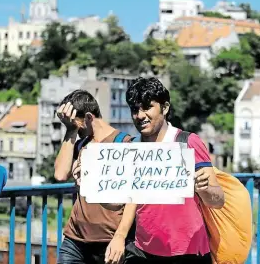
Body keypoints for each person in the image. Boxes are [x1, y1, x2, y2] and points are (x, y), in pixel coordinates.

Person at [123, 77, 225, 264]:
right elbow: (118, 203)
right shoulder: (130, 148)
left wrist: (204, 189)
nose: (139, 115)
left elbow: (218, 200)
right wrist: (87, 183)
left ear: (165, 108)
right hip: (142, 251)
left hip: (187, 252)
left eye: (147, 107)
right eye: (134, 109)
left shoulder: (188, 142)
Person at [54, 90, 136, 264]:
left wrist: (120, 237)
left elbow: (133, 198)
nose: (77, 129)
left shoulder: (124, 144)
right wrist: (70, 131)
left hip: (108, 241)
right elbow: (60, 175)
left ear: (89, 117)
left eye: (76, 124)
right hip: (74, 240)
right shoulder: (81, 144)